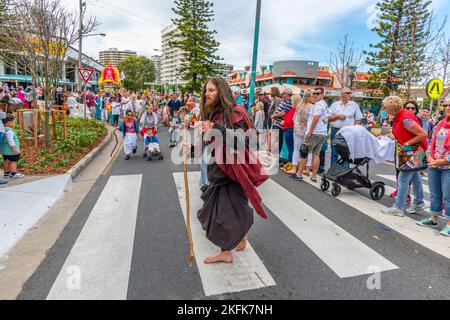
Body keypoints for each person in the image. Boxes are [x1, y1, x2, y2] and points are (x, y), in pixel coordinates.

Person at [185, 76, 269, 264]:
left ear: (221, 91)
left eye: (212, 90)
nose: (207, 94)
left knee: (220, 215)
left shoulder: (235, 112)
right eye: (206, 90)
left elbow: (244, 141)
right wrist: (190, 150)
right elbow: (207, 143)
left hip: (232, 172)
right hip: (217, 170)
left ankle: (226, 251)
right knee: (221, 211)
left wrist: (217, 127)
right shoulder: (211, 114)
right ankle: (240, 235)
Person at [381, 96, 427, 217]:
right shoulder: (399, 116)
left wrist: (407, 143)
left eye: (385, 107)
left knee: (403, 178)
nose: (384, 109)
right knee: (415, 176)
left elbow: (423, 134)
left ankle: (399, 207)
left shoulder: (405, 118)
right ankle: (419, 202)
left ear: (391, 108)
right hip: (409, 150)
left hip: (414, 150)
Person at [417, 100, 450, 236]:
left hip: (447, 166)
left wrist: (442, 161)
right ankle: (433, 218)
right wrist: (430, 157)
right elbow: (431, 142)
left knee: (448, 196)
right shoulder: (440, 124)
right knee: (435, 193)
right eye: (446, 105)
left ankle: (448, 225)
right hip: (434, 164)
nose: (447, 107)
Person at [290, 87, 328, 182]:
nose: (315, 95)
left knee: (304, 153)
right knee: (316, 154)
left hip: (314, 132)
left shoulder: (318, 105)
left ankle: (298, 174)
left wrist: (310, 130)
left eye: (317, 93)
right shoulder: (324, 104)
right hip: (322, 133)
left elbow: (316, 118)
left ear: (322, 94)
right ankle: (314, 176)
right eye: (314, 93)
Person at [328, 87, 363, 165]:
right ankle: (333, 171)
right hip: (336, 130)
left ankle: (344, 172)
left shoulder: (354, 105)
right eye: (347, 93)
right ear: (342, 94)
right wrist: (338, 116)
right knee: (334, 152)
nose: (349, 94)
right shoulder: (335, 104)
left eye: (350, 93)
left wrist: (355, 130)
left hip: (348, 132)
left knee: (346, 152)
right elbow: (328, 118)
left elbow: (358, 119)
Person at [288, 91, 314, 176]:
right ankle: (307, 169)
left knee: (296, 149)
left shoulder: (298, 106)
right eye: (312, 96)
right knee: (308, 150)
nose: (314, 97)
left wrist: (298, 125)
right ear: (308, 97)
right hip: (308, 131)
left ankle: (294, 168)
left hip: (297, 130)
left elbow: (293, 119)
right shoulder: (312, 107)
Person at [271, 87, 292, 165]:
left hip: (280, 125)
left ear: (287, 94)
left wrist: (274, 115)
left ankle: (276, 159)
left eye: (284, 93)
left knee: (277, 142)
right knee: (275, 142)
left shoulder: (289, 102)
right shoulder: (283, 101)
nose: (282, 94)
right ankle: (275, 158)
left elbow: (283, 113)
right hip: (277, 123)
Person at [1, 114, 25, 179]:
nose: (13, 123)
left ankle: (6, 173)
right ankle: (14, 173)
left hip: (4, 150)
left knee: (6, 161)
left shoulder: (3, 130)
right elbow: (10, 141)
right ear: (9, 122)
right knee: (13, 161)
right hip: (11, 151)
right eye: (13, 121)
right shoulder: (9, 131)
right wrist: (14, 149)